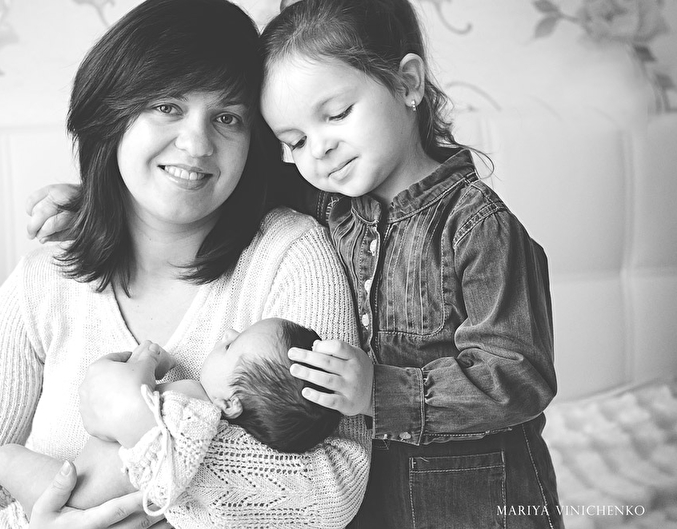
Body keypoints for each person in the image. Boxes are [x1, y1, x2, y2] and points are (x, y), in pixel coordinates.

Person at [29, 0, 563, 526]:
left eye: (336, 115)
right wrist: (97, 201)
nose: (319, 151)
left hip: (478, 503)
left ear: (407, 83)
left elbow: (521, 377)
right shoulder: (331, 203)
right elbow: (207, 181)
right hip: (379, 508)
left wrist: (378, 392)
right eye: (296, 141)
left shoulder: (477, 228)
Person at [0, 0, 370, 528]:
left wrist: (143, 428)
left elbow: (332, 488)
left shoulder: (288, 255)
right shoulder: (44, 284)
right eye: (167, 106)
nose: (197, 144)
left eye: (228, 118)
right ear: (115, 113)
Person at [0, 318, 340, 529]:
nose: (226, 332)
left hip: (74, 497)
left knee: (3, 460)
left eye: (231, 345)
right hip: (78, 504)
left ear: (230, 403)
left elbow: (126, 406)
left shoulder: (195, 408)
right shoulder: (207, 429)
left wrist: (147, 361)